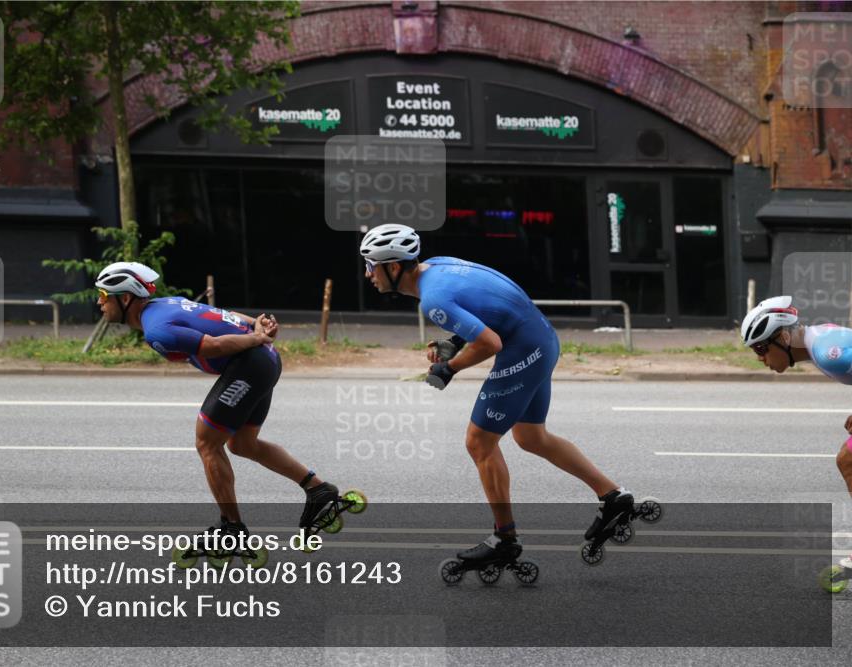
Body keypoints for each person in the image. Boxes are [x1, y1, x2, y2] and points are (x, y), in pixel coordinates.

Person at [359, 224, 633, 564]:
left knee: (479, 442)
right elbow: (486, 304)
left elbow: (490, 342)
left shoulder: (432, 300)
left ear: (393, 267)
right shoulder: (438, 265)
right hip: (541, 338)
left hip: (521, 349)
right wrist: (453, 341)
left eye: (371, 265)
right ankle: (614, 496)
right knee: (531, 437)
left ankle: (505, 539)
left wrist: (449, 368)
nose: (368, 274)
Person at [94, 261, 342, 541]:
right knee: (242, 444)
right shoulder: (166, 303)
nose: (99, 303)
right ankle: (318, 489)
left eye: (103, 295)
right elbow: (227, 316)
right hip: (263, 362)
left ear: (126, 298)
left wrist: (256, 338)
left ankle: (232, 528)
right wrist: (255, 325)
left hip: (252, 364)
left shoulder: (157, 328)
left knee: (207, 443)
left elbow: (213, 346)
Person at [740, 295, 852, 569]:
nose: (760, 358)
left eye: (761, 348)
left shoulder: (827, 353)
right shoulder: (818, 341)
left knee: (848, 461)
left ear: (783, 337)